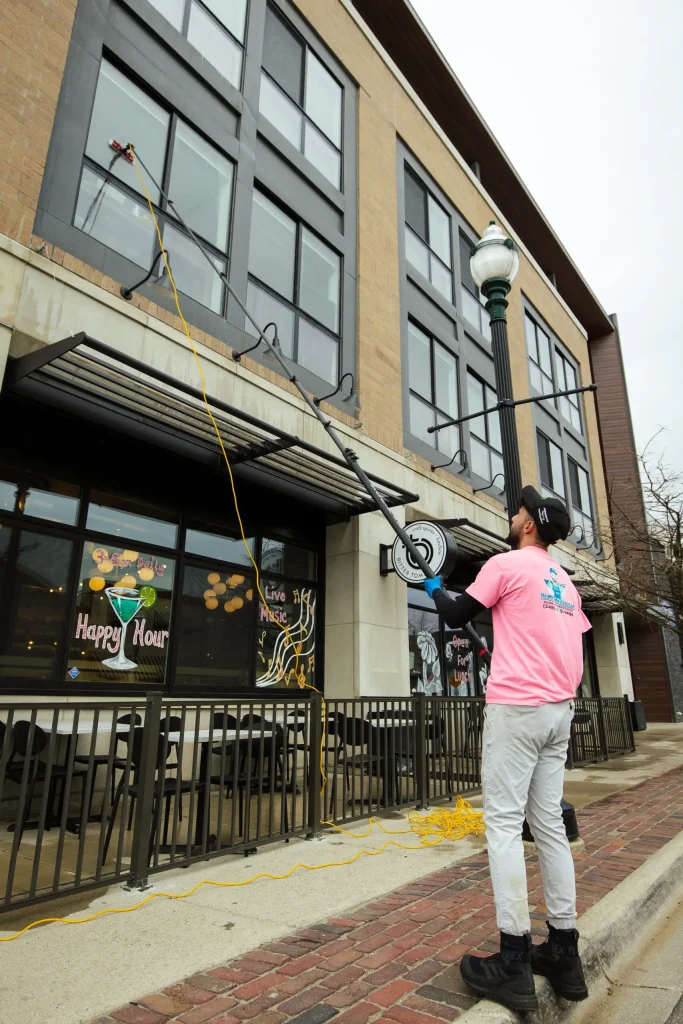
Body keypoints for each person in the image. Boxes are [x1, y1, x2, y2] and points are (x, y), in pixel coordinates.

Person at [424, 485, 590, 1012]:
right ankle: (564, 952)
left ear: (528, 526)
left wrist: (432, 585)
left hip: (518, 710)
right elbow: (557, 639)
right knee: (548, 828)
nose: (513, 515)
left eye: (518, 511)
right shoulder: (564, 582)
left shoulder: (506, 563)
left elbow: (455, 613)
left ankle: (513, 959)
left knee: (501, 824)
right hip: (559, 713)